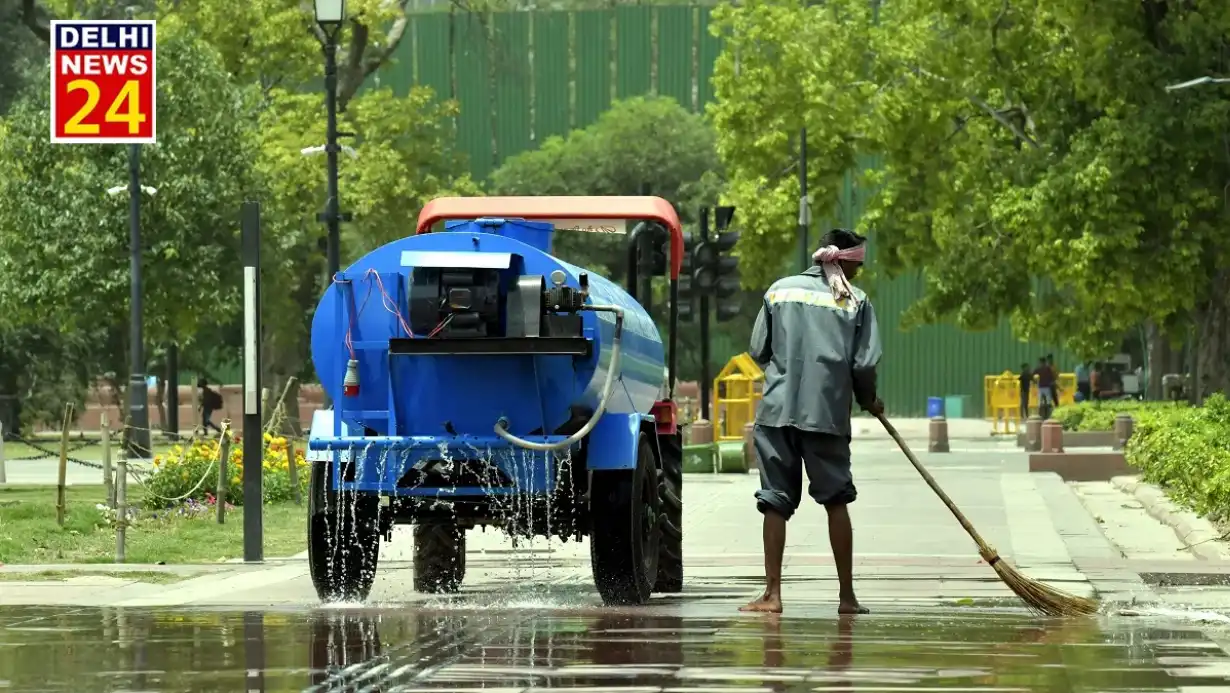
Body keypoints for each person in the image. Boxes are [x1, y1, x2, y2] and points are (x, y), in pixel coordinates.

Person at [741, 228, 882, 616]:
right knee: (836, 500)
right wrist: (868, 399)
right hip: (826, 415)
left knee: (775, 502)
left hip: (777, 413)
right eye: (860, 262)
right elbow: (865, 363)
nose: (861, 270)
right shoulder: (855, 301)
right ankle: (847, 598)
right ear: (847, 259)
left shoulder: (779, 291)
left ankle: (772, 595)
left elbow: (758, 349)